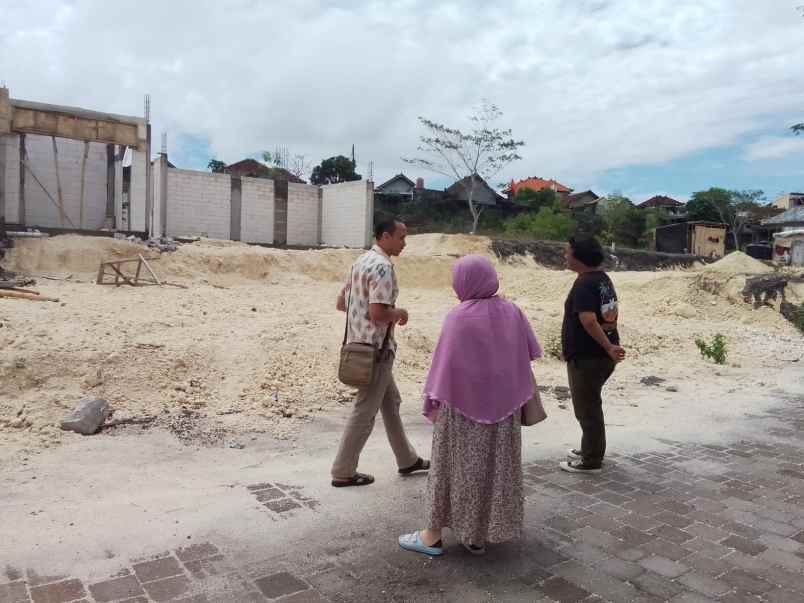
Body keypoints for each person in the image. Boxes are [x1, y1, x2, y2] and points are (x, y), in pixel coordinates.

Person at [399, 255, 542, 556]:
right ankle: (477, 535)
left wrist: (432, 400)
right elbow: (527, 353)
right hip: (505, 410)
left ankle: (432, 536)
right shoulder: (513, 311)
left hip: (462, 409)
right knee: (494, 470)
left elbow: (445, 366)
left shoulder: (458, 316)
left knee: (452, 469)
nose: (455, 287)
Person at [331, 218, 429, 487]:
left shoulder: (360, 262)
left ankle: (407, 459)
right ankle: (342, 471)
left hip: (359, 345)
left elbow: (341, 303)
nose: (405, 243)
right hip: (377, 351)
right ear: (385, 236)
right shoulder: (383, 267)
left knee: (391, 402)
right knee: (364, 412)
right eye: (401, 237)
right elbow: (378, 313)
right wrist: (399, 313)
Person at [559, 236, 625, 475]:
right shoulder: (602, 279)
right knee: (590, 405)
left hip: (589, 357)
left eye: (567, 252)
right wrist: (610, 346)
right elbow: (609, 315)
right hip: (601, 355)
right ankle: (590, 448)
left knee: (587, 409)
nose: (565, 256)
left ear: (579, 256)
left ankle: (591, 460)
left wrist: (607, 347)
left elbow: (588, 320)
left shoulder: (584, 284)